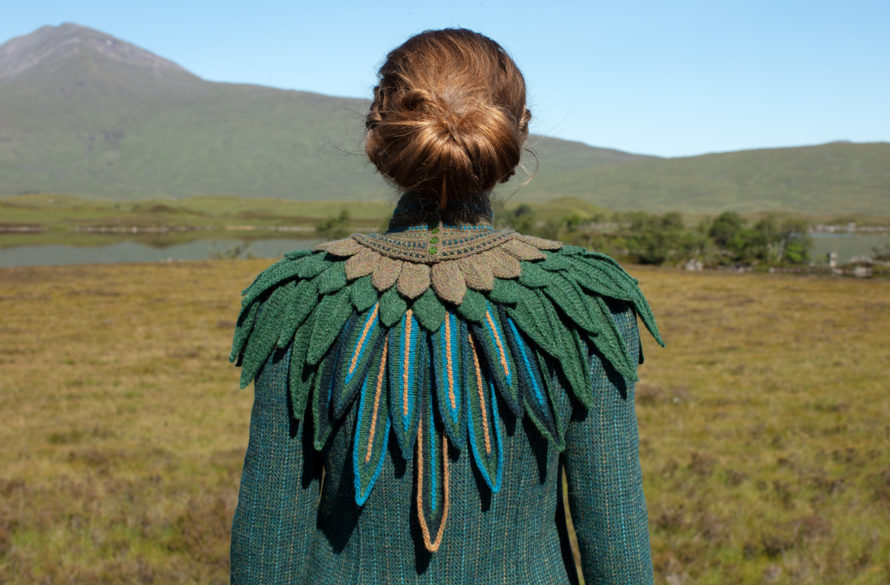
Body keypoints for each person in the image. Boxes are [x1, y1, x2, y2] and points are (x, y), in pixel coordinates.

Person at [229, 28, 663, 584]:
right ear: (518, 130)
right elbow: (616, 540)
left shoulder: (298, 297)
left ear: (377, 134)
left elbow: (267, 540)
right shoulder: (585, 300)